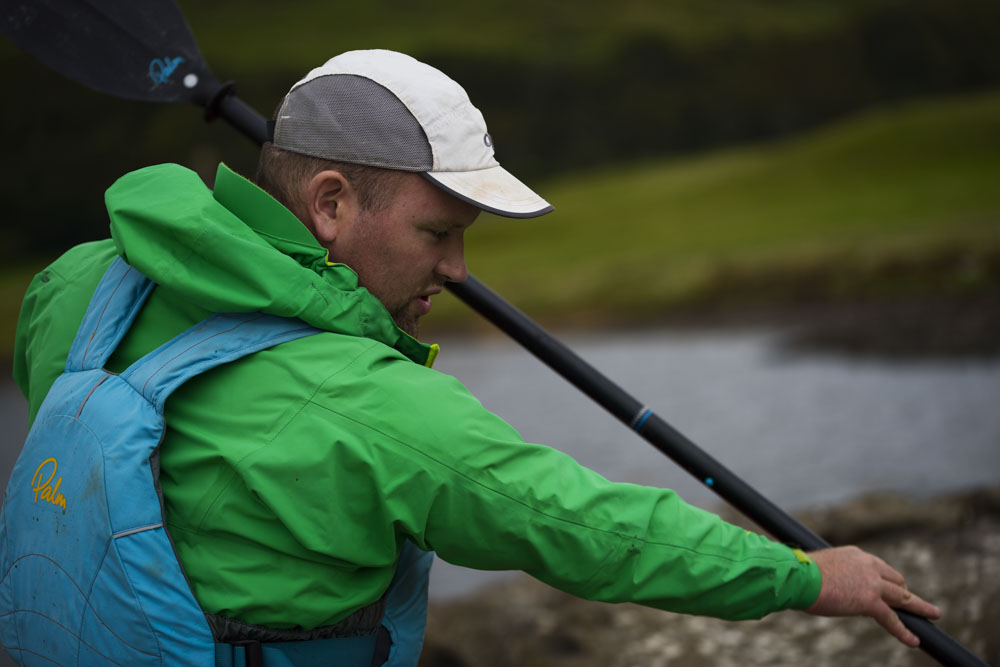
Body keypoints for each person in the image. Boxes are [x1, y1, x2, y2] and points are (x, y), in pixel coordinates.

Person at [11, 49, 938, 664]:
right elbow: (579, 524)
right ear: (330, 204)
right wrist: (809, 576)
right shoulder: (368, 406)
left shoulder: (85, 281)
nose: (456, 269)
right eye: (439, 231)